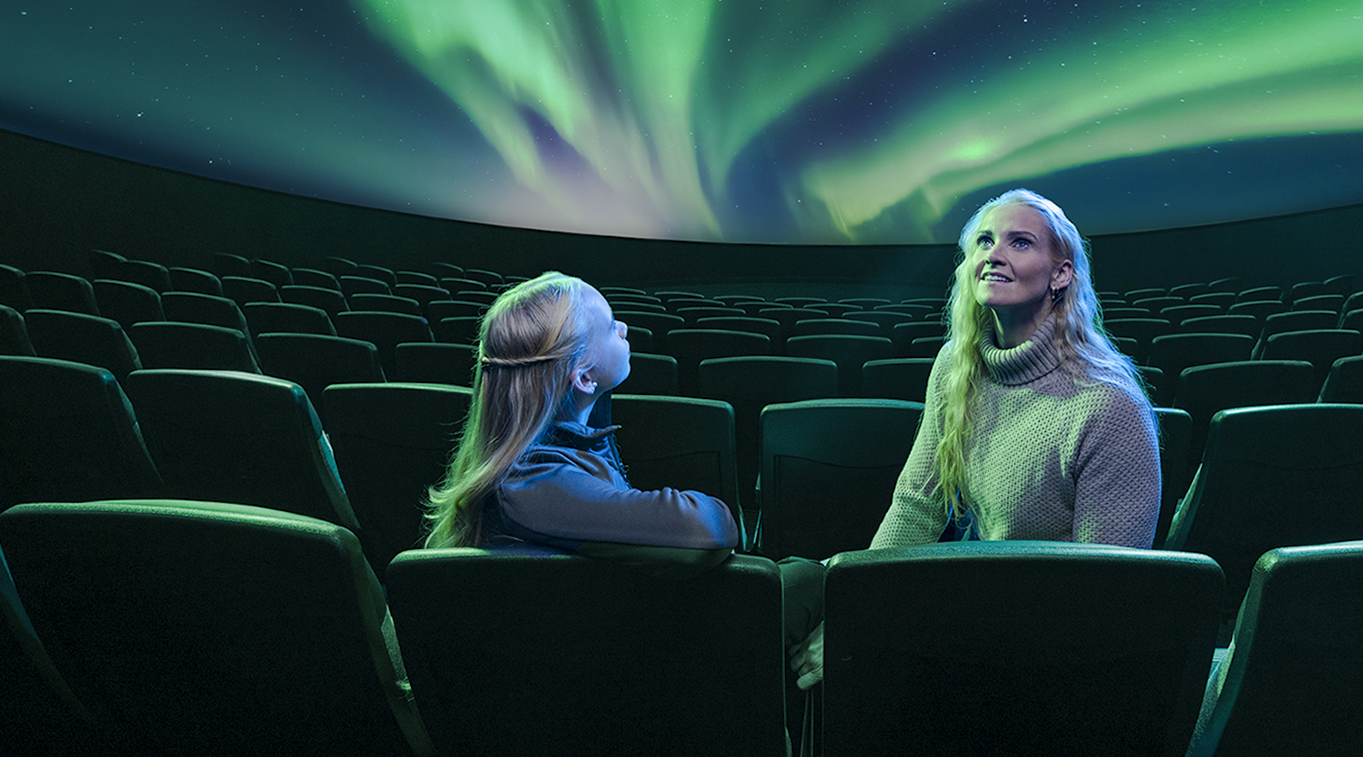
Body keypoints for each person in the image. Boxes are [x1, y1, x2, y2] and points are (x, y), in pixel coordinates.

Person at [788, 188, 1160, 690]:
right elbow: (918, 505)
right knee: (795, 589)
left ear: (1061, 274)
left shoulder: (1110, 407)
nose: (994, 254)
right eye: (984, 240)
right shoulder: (955, 365)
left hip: (1043, 636)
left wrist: (892, 622)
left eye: (1020, 242)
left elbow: (1099, 602)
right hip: (972, 585)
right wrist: (858, 609)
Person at [423, 271, 738, 564]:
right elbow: (708, 528)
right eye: (611, 325)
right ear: (585, 379)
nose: (623, 328)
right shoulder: (530, 488)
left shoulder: (549, 452)